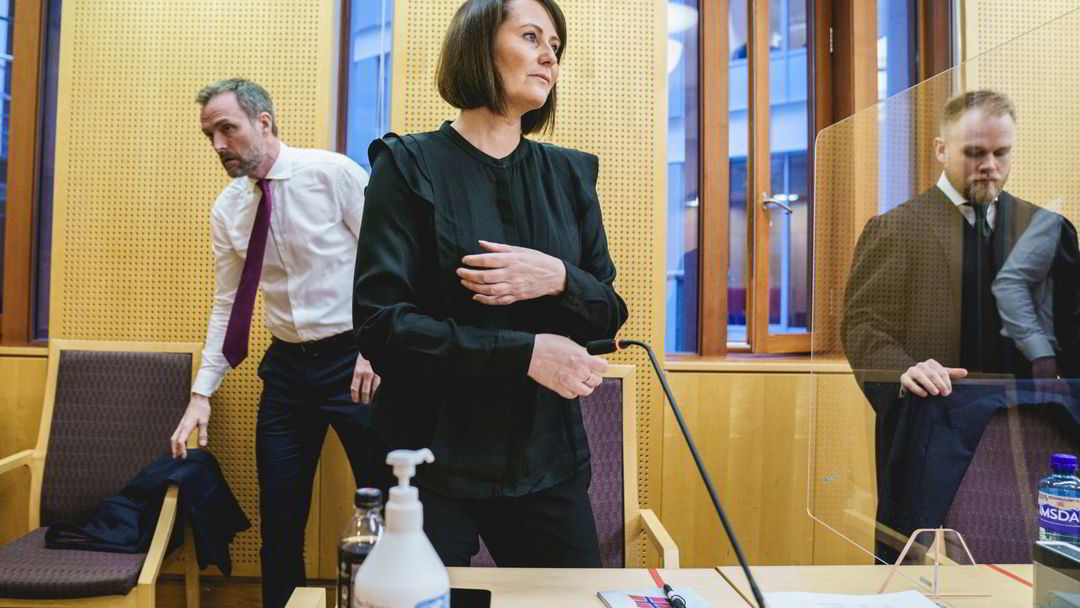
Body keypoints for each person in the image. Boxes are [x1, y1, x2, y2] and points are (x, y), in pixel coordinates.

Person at [353, 0, 628, 568]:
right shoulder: (406, 166)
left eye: (555, 45)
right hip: (427, 455)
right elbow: (383, 327)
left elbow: (607, 313)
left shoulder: (571, 174)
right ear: (479, 45)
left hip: (546, 455)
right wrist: (524, 354)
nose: (549, 56)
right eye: (531, 37)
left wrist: (558, 278)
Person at [168, 79, 387, 608]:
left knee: (383, 508)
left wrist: (377, 349)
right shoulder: (228, 209)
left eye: (227, 129)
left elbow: (387, 266)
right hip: (287, 370)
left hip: (355, 360)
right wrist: (201, 393)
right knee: (280, 520)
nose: (218, 145)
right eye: (210, 135)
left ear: (263, 122)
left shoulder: (332, 174)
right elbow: (228, 304)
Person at [842, 89, 1080, 562]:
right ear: (940, 149)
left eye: (1001, 153)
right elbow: (864, 325)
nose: (989, 165)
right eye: (974, 152)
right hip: (935, 427)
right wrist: (904, 368)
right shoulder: (897, 229)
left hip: (1032, 431)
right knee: (915, 569)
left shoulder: (1048, 229)